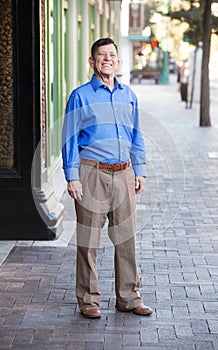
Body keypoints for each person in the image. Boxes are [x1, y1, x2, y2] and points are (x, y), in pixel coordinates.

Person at [62, 38, 153, 319]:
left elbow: (136, 135)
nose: (107, 59)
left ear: (118, 61)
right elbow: (69, 138)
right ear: (92, 61)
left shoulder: (129, 95)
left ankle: (128, 297)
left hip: (124, 173)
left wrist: (139, 170)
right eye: (101, 55)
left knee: (126, 238)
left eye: (112, 55)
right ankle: (88, 300)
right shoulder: (80, 96)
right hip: (91, 173)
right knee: (89, 240)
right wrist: (72, 176)